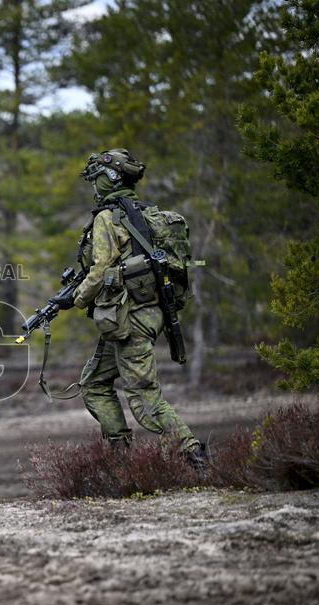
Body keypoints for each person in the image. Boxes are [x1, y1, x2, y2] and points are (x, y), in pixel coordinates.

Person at [49, 149, 207, 469]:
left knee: (144, 396)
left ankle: (194, 455)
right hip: (135, 316)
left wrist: (76, 298)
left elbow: (101, 267)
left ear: (111, 178)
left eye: (96, 180)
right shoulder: (144, 213)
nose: (94, 187)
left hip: (130, 319)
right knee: (94, 385)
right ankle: (121, 460)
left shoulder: (109, 217)